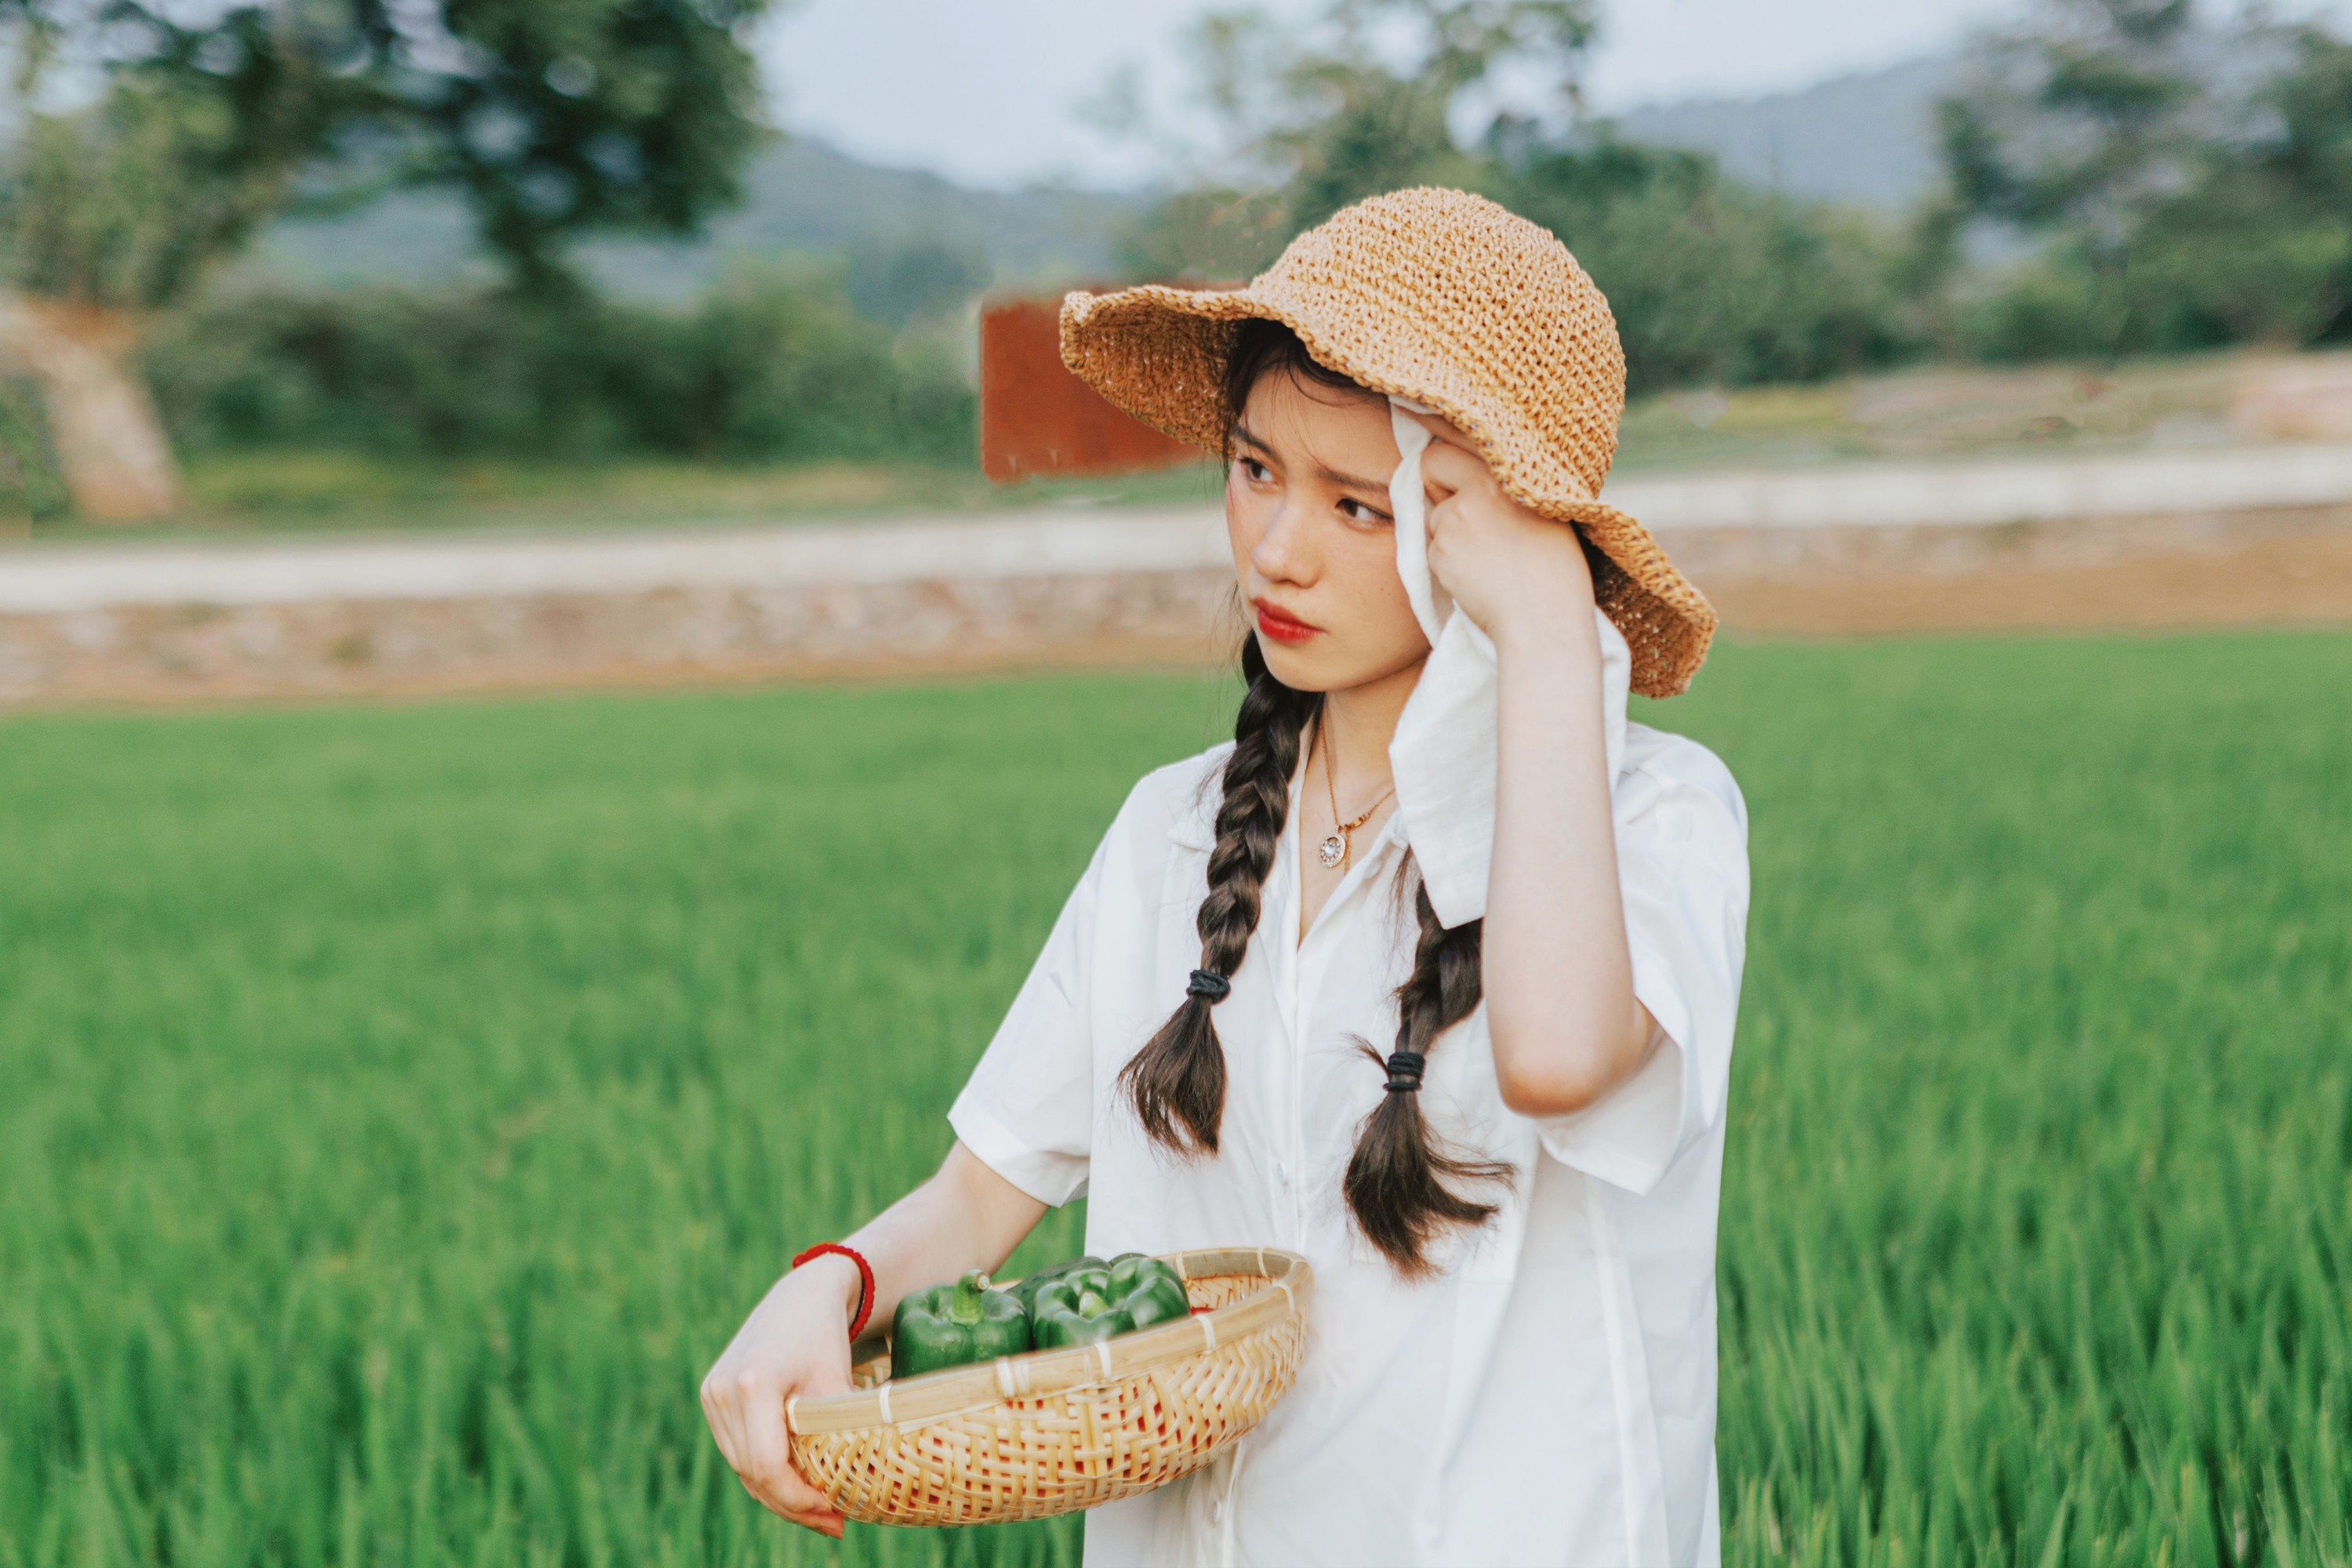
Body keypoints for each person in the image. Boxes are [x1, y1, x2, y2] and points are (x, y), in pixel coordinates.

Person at [700, 187, 1751, 1567]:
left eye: (1360, 507)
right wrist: (825, 1293)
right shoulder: (1172, 831)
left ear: (1482, 525)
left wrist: (1553, 620)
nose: (1276, 548)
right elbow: (981, 1197)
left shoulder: (1655, 813)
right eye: (1254, 469)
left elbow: (1558, 1060)